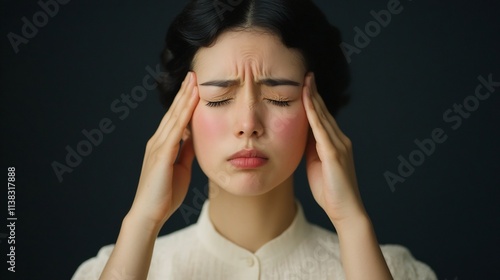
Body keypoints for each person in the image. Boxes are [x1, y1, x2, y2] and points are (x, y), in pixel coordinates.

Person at [73, 0, 437, 279]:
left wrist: (352, 223)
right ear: (181, 118)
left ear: (317, 114)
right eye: (218, 98)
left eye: (279, 98)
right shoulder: (114, 267)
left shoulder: (393, 270)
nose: (248, 124)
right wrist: (141, 222)